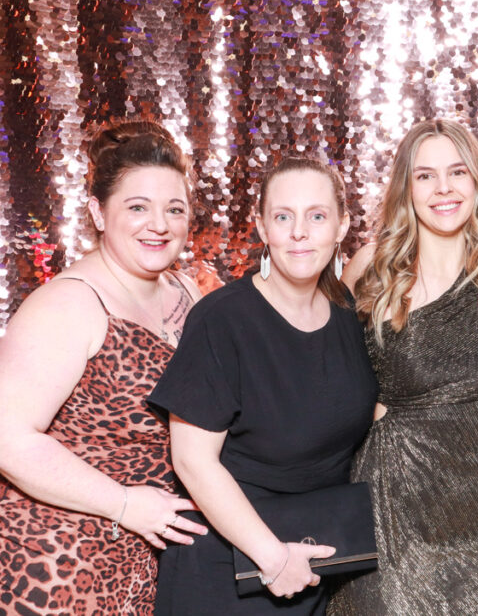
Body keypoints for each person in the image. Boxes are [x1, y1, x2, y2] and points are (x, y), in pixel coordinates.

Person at [148, 157, 378, 615]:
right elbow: (192, 461)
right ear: (261, 227)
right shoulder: (222, 319)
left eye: (317, 216)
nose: (299, 232)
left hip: (312, 560)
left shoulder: (345, 310)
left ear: (342, 226)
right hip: (230, 567)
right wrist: (273, 559)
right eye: (282, 216)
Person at [0, 121, 206, 615]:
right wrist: (125, 504)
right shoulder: (71, 304)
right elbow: (7, 437)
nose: (159, 225)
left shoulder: (186, 291)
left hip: (148, 557)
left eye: (173, 209)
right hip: (59, 562)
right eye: (137, 207)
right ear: (98, 211)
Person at [328, 119, 478, 615]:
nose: (443, 189)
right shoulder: (371, 267)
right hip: (394, 496)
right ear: (405, 187)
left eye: (457, 172)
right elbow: (327, 371)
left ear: (477, 182)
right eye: (425, 176)